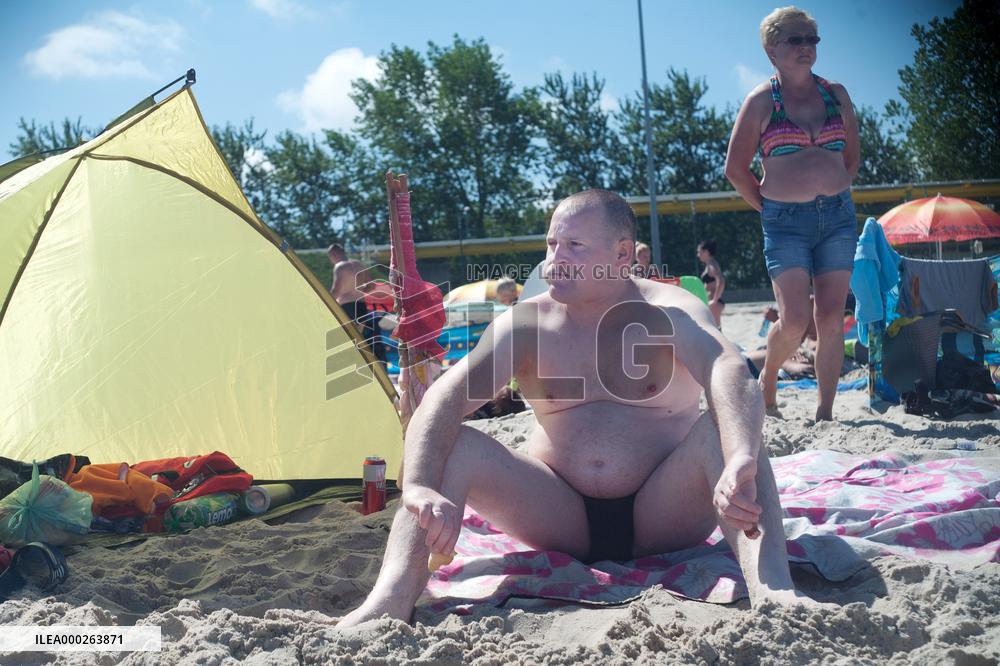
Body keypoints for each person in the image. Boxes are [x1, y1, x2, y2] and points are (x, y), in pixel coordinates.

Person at [338, 189, 814, 627]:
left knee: (727, 435)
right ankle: (389, 600)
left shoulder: (669, 309)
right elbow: (446, 396)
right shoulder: (527, 323)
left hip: (667, 510)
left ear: (622, 254)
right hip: (558, 514)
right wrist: (418, 484)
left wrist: (740, 458)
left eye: (575, 247)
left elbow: (728, 370)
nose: (554, 261)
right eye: (551, 245)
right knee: (453, 447)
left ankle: (772, 588)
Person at [724, 6, 860, 421]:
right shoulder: (763, 100)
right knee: (796, 318)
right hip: (785, 223)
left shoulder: (835, 94)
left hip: (837, 216)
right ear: (772, 49)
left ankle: (825, 412)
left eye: (811, 39)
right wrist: (769, 206)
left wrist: (833, 187)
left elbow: (851, 158)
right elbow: (736, 169)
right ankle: (767, 378)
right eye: (795, 40)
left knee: (832, 317)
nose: (806, 47)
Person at [697, 240, 726, 328]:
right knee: (715, 329)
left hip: (714, 303)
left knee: (716, 330)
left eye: (699, 252)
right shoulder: (710, 264)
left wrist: (715, 300)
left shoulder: (712, 265)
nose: (698, 255)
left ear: (706, 252)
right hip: (712, 302)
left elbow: (721, 281)